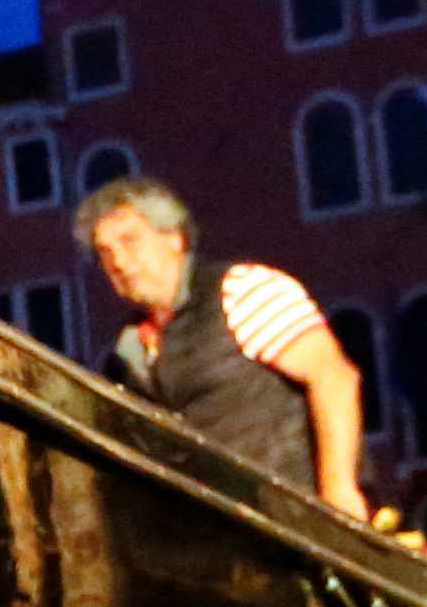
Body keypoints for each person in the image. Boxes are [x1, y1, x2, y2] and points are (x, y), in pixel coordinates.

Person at [73, 174, 371, 521]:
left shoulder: (243, 290)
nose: (119, 263)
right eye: (105, 252)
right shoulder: (126, 351)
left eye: (130, 241)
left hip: (297, 521)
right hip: (212, 540)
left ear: (175, 239)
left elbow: (333, 377)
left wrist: (339, 490)